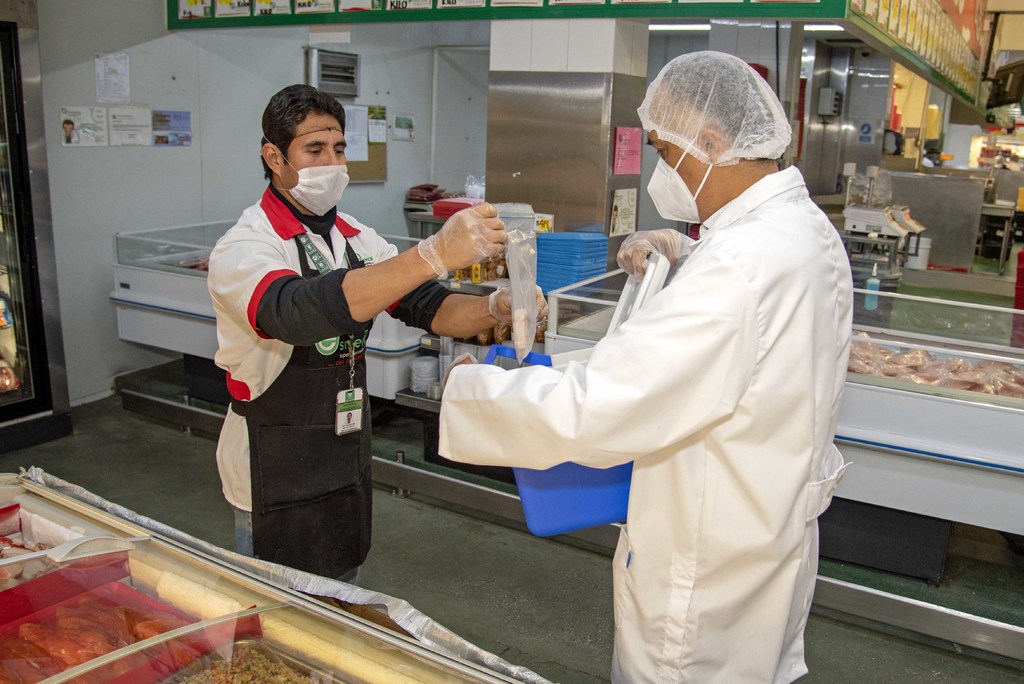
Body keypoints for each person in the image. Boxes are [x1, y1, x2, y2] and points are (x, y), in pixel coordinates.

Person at [439, 51, 852, 683]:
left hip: (704, 559)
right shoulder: (801, 230)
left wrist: (469, 388)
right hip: (763, 527)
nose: (661, 168)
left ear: (711, 143)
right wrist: (682, 254)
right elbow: (750, 334)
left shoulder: (738, 266)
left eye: (663, 149)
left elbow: (604, 404)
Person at [207, 84, 544, 580]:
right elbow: (293, 311)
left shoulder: (356, 238)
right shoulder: (245, 246)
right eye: (315, 149)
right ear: (273, 156)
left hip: (344, 453)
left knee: (345, 598)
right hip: (272, 465)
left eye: (339, 149)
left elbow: (429, 306)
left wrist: (495, 307)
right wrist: (430, 255)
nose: (332, 163)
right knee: (282, 619)